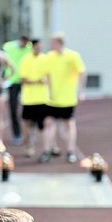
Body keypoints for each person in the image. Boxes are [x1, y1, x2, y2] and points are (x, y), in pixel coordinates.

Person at [39, 32, 86, 164]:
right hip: (52, 99)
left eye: (52, 42)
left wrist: (81, 92)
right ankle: (46, 151)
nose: (50, 44)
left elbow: (82, 73)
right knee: (48, 124)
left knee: (69, 125)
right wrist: (47, 89)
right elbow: (46, 74)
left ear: (58, 43)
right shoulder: (49, 57)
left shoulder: (73, 56)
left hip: (68, 98)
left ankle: (70, 152)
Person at [19, 38, 49, 158]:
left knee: (46, 123)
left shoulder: (46, 59)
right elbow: (23, 79)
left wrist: (44, 81)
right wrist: (38, 81)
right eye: (36, 47)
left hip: (43, 98)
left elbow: (50, 76)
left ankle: (49, 146)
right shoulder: (25, 60)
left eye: (40, 47)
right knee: (27, 123)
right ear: (32, 47)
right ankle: (29, 146)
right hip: (29, 98)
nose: (38, 49)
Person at [3, 35, 32, 145]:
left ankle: (29, 132)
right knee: (13, 109)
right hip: (12, 82)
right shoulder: (8, 47)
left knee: (29, 108)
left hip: (26, 82)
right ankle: (17, 134)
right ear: (20, 40)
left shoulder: (30, 47)